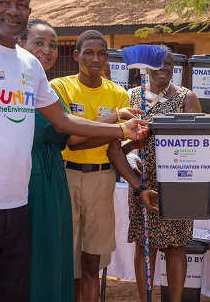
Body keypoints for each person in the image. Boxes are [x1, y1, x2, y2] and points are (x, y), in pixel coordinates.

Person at [0, 0, 149, 302]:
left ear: (28, 10)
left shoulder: (28, 65)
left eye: (21, 5)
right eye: (4, 2)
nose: (12, 10)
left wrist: (119, 130)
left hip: (18, 207)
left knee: (11, 295)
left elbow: (63, 120)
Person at [50, 30, 157, 302]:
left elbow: (114, 150)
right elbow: (73, 141)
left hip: (101, 180)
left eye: (101, 53)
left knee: (91, 263)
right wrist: (117, 121)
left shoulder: (118, 93)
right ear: (76, 56)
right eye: (88, 53)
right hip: (66, 177)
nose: (95, 59)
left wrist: (139, 187)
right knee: (67, 262)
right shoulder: (60, 87)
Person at [127, 46, 202, 302]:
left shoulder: (186, 97)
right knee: (145, 244)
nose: (164, 67)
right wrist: (132, 152)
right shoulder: (132, 97)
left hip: (178, 180)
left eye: (169, 63)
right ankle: (144, 299)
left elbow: (199, 141)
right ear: (146, 67)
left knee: (177, 244)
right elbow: (119, 140)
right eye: (158, 63)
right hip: (142, 180)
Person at [17, 19, 73, 301]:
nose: (47, 50)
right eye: (38, 43)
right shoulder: (15, 82)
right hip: (30, 179)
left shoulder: (48, 90)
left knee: (53, 248)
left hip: (53, 177)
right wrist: (117, 125)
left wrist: (121, 130)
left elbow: (70, 137)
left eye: (53, 45)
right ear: (20, 44)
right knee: (34, 251)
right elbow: (67, 129)